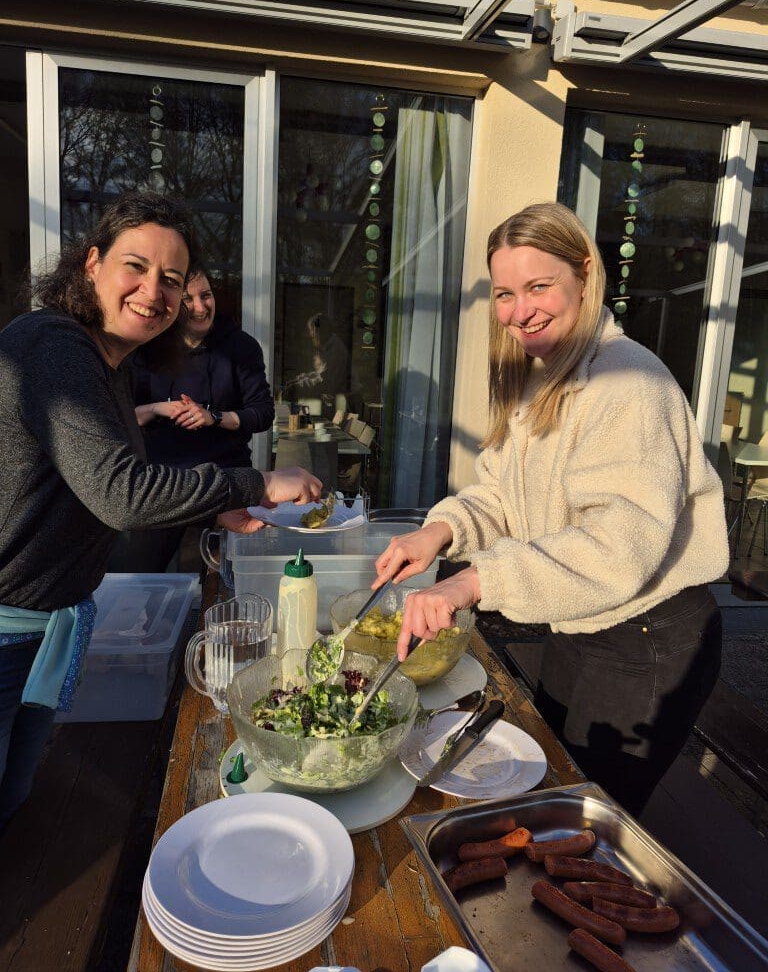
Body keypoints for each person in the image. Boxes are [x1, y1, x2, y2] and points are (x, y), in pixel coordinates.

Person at [372, 201, 728, 817]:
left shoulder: (630, 383)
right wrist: (441, 531)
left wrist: (472, 581)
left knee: (582, 817)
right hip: (577, 621)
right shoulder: (539, 375)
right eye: (505, 294)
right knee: (550, 790)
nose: (519, 311)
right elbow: (503, 496)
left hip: (646, 636)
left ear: (585, 275)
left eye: (539, 286)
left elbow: (616, 549)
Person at [0, 191, 321, 826]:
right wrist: (256, 484)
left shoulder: (110, 364)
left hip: (40, 628)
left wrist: (212, 510)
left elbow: (91, 487)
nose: (155, 291)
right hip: (7, 630)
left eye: (171, 279)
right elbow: (120, 493)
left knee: (14, 797)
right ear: (91, 263)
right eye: (136, 266)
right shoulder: (53, 346)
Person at [108, 265, 275, 572]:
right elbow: (119, 418)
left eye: (206, 296)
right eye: (188, 299)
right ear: (171, 303)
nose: (200, 307)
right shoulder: (147, 346)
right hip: (163, 485)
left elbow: (262, 414)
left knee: (225, 578)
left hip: (227, 482)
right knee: (139, 574)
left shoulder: (240, 347)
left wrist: (214, 417)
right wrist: (157, 409)